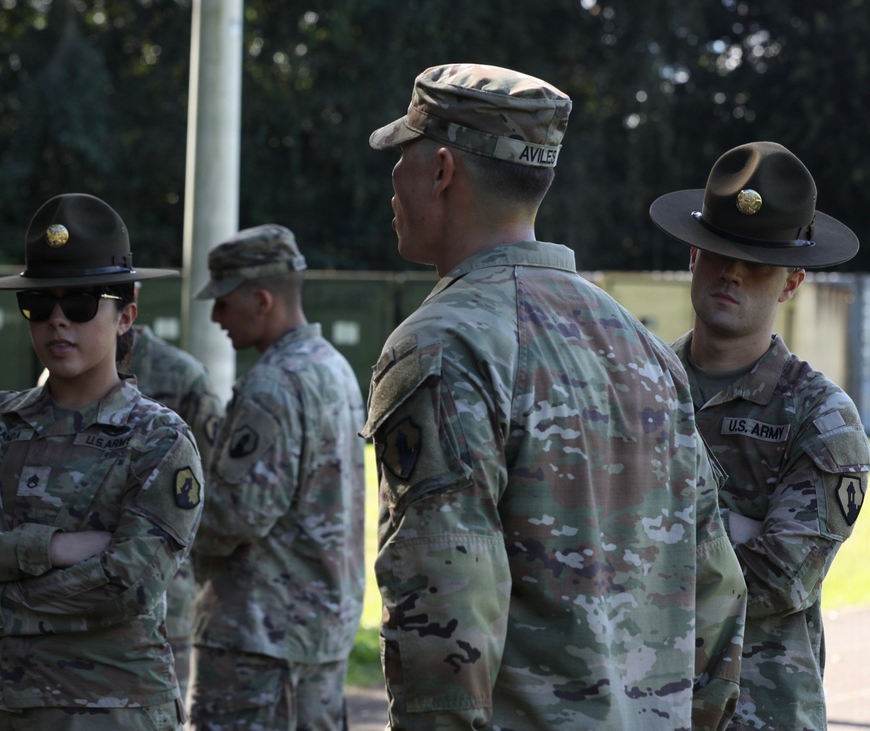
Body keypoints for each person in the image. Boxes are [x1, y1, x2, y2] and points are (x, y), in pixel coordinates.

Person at [362, 62, 747, 730]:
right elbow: (717, 589)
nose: (393, 180)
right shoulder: (645, 348)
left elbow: (444, 612)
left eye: (402, 155)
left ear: (443, 170)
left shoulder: (443, 346)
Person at [0, 193, 205, 730]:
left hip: (107, 709)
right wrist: (50, 548)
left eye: (81, 303)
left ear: (125, 314)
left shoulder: (158, 439)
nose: (58, 321)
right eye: (39, 304)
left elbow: (129, 583)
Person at [650, 140, 869, 730]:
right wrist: (730, 531)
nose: (734, 273)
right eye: (720, 253)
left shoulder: (822, 417)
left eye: (759, 263)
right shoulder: (634, 385)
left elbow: (779, 579)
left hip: (760, 711)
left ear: (793, 282)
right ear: (694, 257)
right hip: (637, 701)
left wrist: (638, 539)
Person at [188, 224, 366, 730]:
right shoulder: (333, 368)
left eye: (223, 301)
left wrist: (155, 510)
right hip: (314, 635)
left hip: (259, 645)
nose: (215, 315)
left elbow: (232, 516)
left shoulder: (273, 385)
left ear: (261, 300)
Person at [37, 280, 225, 701]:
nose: (63, 316)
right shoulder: (59, 366)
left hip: (157, 602)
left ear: (129, 304)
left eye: (84, 300)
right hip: (53, 610)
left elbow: (208, 482)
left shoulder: (182, 374)